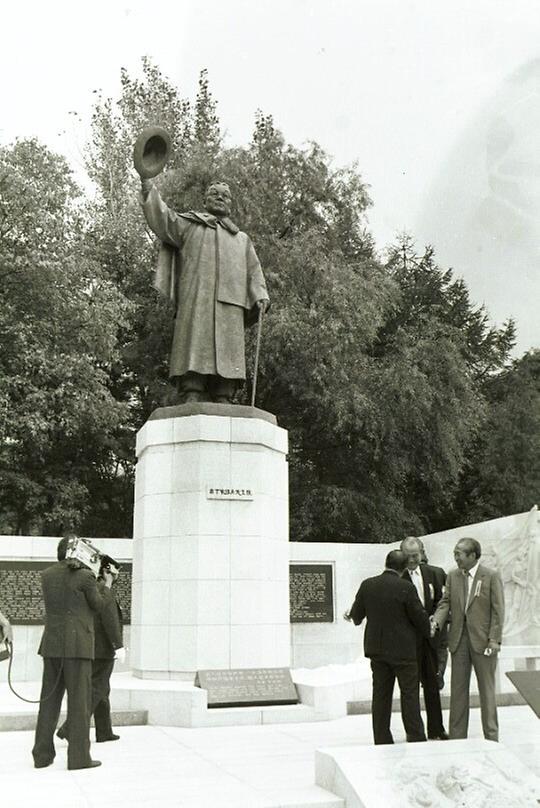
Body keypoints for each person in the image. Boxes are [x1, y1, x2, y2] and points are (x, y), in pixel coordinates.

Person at [140, 178, 270, 403]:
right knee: (194, 342)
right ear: (204, 200)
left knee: (229, 349)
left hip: (231, 303)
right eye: (214, 193)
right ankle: (193, 389)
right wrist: (147, 186)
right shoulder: (189, 225)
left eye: (225, 195)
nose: (220, 197)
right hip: (197, 298)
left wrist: (260, 294)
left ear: (231, 204)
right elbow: (163, 218)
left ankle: (224, 393)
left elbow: (254, 270)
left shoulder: (242, 240)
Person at [344, 549, 431, 745]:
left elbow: (357, 617)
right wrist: (429, 629)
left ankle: (382, 738)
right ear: (403, 568)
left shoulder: (368, 585)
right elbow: (419, 617)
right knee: (409, 695)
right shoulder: (407, 588)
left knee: (381, 695)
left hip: (378, 651)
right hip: (404, 652)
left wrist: (349, 614)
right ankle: (415, 736)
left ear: (386, 563)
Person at [32, 536, 104, 770]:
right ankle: (79, 758)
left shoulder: (47, 574)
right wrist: (105, 583)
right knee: (79, 703)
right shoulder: (85, 576)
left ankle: (42, 755)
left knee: (48, 702)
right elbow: (98, 606)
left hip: (52, 647)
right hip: (78, 648)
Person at [432, 537, 505, 742]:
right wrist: (436, 621)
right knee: (458, 693)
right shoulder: (453, 576)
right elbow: (445, 603)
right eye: (455, 553)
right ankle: (457, 739)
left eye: (459, 553)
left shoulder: (490, 576)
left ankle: (491, 738)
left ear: (473, 555)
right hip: (459, 641)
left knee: (487, 691)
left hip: (484, 642)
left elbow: (498, 611)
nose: (456, 558)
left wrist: (494, 640)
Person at [57, 555, 124, 743]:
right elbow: (110, 621)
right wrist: (118, 646)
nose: (118, 574)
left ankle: (104, 731)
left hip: (94, 647)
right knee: (96, 689)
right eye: (115, 570)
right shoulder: (105, 590)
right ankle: (70, 728)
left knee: (102, 689)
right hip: (102, 651)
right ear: (107, 570)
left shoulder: (95, 588)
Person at [400, 537, 448, 740]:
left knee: (432, 684)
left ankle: (436, 729)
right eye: (407, 556)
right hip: (408, 641)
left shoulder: (436, 573)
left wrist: (434, 621)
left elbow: (444, 602)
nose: (411, 560)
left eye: (415, 555)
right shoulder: (397, 576)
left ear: (422, 553)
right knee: (410, 689)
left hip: (431, 640)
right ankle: (415, 732)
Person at [417, 539, 449, 689]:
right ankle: (438, 673)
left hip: (420, 621)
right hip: (437, 619)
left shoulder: (405, 574)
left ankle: (427, 677)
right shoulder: (438, 572)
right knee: (440, 648)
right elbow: (446, 597)